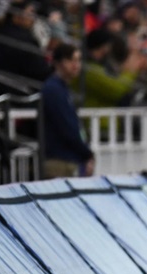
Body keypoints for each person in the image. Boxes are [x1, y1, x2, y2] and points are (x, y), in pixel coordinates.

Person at [41, 42, 94, 178]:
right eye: (72, 60)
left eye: (78, 60)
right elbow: (66, 127)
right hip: (59, 161)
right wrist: (86, 153)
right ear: (59, 63)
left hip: (68, 158)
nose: (76, 65)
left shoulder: (63, 89)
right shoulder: (53, 90)